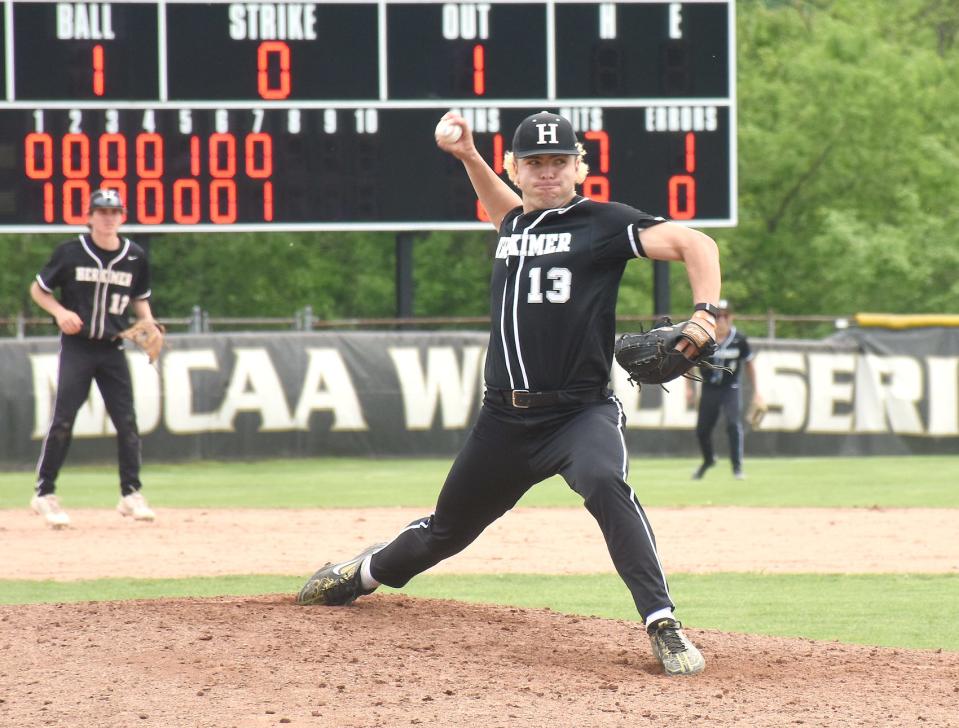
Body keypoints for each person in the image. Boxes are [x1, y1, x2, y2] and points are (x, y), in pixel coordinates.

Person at [297, 111, 723, 677]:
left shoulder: (600, 223)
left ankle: (662, 623)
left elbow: (697, 242)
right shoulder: (516, 225)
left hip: (579, 414)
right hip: (504, 420)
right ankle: (362, 573)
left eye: (559, 162)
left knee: (605, 483)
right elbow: (505, 213)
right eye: (534, 163)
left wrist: (705, 315)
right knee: (445, 531)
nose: (547, 172)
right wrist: (469, 157)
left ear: (580, 167)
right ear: (516, 169)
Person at [30, 189, 157, 528]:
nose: (107, 217)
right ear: (89, 217)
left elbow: (139, 298)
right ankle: (44, 493)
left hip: (113, 347)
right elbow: (38, 288)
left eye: (114, 212)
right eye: (101, 211)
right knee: (64, 419)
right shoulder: (71, 252)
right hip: (78, 346)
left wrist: (148, 322)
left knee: (126, 421)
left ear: (122, 217)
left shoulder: (134, 256)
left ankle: (131, 493)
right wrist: (59, 312)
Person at [688, 299, 764, 480]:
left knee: (733, 424)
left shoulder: (739, 339)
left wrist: (757, 391)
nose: (721, 320)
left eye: (725, 315)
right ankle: (708, 460)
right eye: (718, 315)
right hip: (709, 388)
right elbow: (689, 361)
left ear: (731, 317)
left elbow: (749, 365)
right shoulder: (704, 337)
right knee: (702, 430)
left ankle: (737, 467)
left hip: (731, 387)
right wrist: (689, 388)